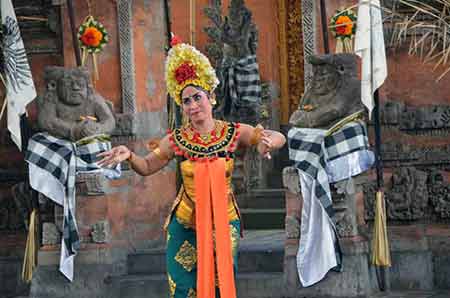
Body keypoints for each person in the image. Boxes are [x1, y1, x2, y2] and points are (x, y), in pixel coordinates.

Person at [97, 37, 286, 298]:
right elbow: (148, 165)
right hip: (186, 221)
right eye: (186, 101)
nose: (193, 105)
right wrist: (129, 155)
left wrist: (268, 143)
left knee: (221, 282)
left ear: (211, 97)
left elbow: (274, 137)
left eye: (197, 97)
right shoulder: (176, 139)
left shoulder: (232, 132)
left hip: (223, 218)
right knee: (184, 288)